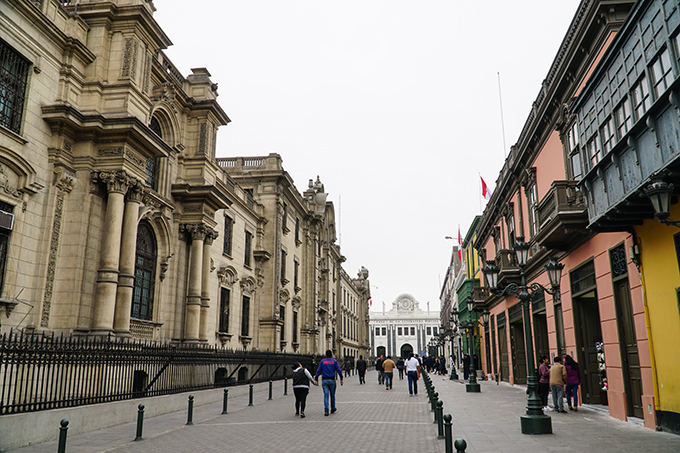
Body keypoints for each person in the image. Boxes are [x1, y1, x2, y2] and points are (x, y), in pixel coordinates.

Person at [314, 350, 344, 416]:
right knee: (332, 395)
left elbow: (318, 371)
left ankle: (326, 409)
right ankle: (333, 408)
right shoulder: (334, 361)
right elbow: (339, 370)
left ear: (325, 355)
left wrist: (316, 379)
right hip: (332, 380)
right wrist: (341, 379)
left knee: (326, 395)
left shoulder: (322, 361)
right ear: (332, 355)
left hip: (325, 380)